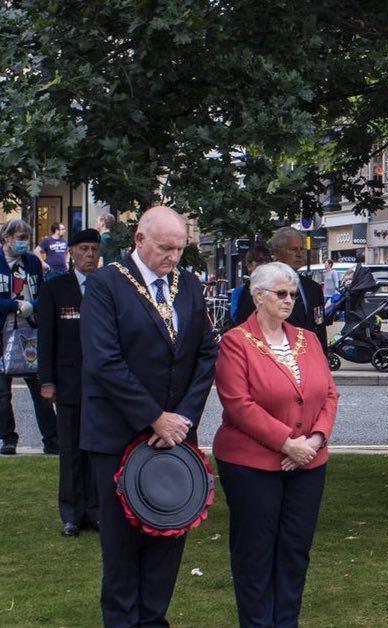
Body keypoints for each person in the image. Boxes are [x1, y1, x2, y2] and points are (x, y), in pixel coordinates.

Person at [80, 206, 218, 626]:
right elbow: (105, 362)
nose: (174, 257)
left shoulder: (189, 285)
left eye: (180, 249)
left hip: (176, 437)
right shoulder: (106, 287)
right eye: (166, 248)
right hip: (118, 436)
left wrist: (182, 418)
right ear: (139, 240)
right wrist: (154, 417)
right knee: (122, 553)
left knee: (167, 545)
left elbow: (207, 352)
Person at [214, 261, 339, 628]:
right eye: (280, 293)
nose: (288, 300)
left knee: (294, 552)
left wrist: (313, 441)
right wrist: (287, 444)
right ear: (258, 296)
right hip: (251, 464)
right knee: (255, 553)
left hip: (308, 463)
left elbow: (329, 394)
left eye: (292, 293)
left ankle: (286, 622)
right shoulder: (237, 342)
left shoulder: (309, 339)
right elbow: (238, 404)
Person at [37, 228, 102, 536]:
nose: (89, 254)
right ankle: (71, 514)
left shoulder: (106, 287)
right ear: (72, 254)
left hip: (102, 385)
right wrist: (46, 380)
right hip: (68, 382)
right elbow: (45, 337)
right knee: (71, 450)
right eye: (84, 249)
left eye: (94, 249)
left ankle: (95, 510)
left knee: (96, 449)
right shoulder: (56, 288)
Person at [0, 218, 58, 456]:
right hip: (3, 334)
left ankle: (52, 438)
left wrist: (32, 306)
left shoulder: (33, 262)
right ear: (6, 239)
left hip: (31, 334)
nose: (24, 243)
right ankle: (8, 438)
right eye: (20, 238)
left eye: (26, 238)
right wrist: (14, 306)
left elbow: (44, 292)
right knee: (2, 393)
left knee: (40, 388)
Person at [237, 227, 328, 354]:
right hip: (275, 357)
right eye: (293, 249)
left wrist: (323, 360)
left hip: (309, 359)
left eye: (301, 249)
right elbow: (245, 323)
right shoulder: (261, 283)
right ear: (276, 253)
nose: (299, 254)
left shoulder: (313, 288)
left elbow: (319, 326)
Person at [230, 244, 274, 326]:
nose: (265, 264)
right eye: (260, 261)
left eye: (268, 260)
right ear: (249, 265)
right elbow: (236, 319)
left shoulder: (276, 287)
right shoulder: (239, 292)